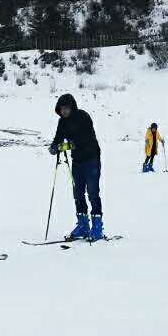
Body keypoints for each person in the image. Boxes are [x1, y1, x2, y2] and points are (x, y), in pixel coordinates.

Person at [51, 93, 104, 240]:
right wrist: (54, 146)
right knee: (78, 193)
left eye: (67, 108)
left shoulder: (83, 117)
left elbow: (84, 138)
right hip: (77, 162)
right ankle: (83, 225)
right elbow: (58, 137)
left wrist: (67, 145)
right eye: (62, 109)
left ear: (72, 107)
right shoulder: (62, 122)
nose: (64, 111)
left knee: (93, 192)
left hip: (91, 158)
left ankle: (97, 227)